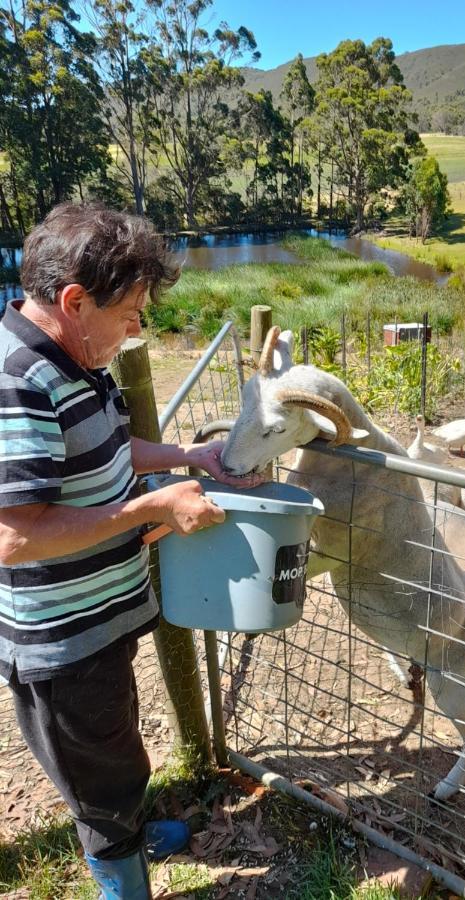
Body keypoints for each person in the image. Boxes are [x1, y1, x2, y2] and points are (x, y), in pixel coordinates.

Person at [0, 203, 263, 898]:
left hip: (98, 623)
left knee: (114, 757)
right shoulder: (18, 381)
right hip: (63, 640)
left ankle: (126, 836)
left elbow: (110, 447)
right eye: (130, 312)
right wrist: (152, 506)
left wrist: (188, 454)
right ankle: (121, 874)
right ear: (74, 301)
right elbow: (13, 535)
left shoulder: (75, 357)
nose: (136, 328)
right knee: (100, 776)